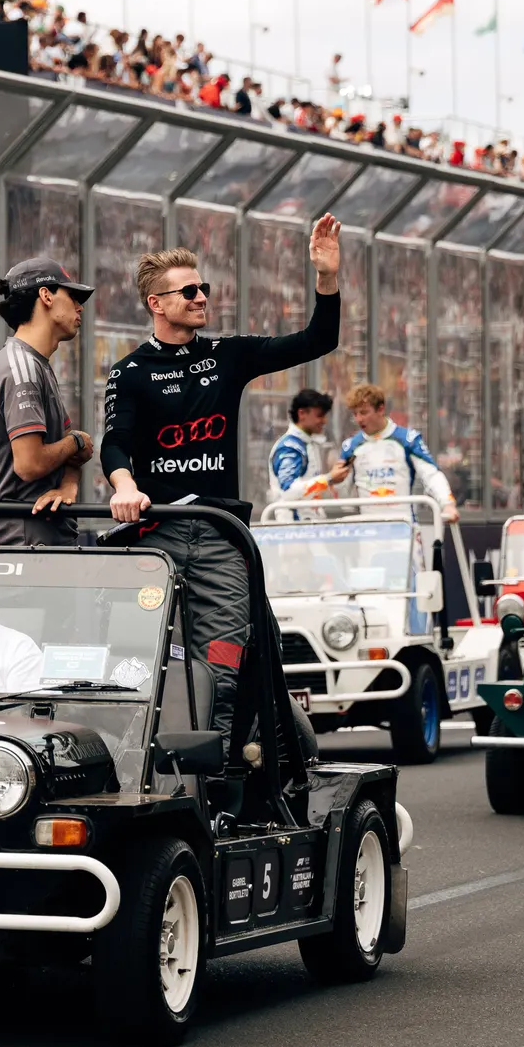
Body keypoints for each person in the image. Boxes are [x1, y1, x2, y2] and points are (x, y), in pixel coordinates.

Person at [103, 215, 341, 733]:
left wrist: (326, 278)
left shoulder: (227, 355)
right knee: (134, 663)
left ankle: (221, 781)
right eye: (187, 290)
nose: (201, 297)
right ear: (156, 304)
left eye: (203, 287)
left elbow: (317, 339)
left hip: (220, 536)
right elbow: (115, 443)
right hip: (155, 534)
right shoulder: (130, 371)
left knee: (227, 665)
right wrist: (124, 486)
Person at [0, 257, 94, 543]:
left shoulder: (35, 364)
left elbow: (70, 454)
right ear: (46, 295)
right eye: (73, 296)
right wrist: (76, 440)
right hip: (21, 539)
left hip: (41, 533)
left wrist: (68, 486)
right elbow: (30, 464)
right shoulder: (21, 367)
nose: (80, 307)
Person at [327, 381, 458, 521]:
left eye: (364, 412)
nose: (359, 419)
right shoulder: (351, 446)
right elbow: (344, 498)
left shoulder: (408, 439)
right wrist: (336, 481)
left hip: (404, 527)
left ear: (380, 409)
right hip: (368, 530)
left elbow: (431, 475)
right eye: (355, 414)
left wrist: (447, 504)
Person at [266, 387, 335, 500]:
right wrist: (328, 479)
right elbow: (288, 491)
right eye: (320, 415)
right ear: (302, 413)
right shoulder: (289, 447)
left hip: (310, 517)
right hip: (293, 518)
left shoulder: (307, 442)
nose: (324, 421)